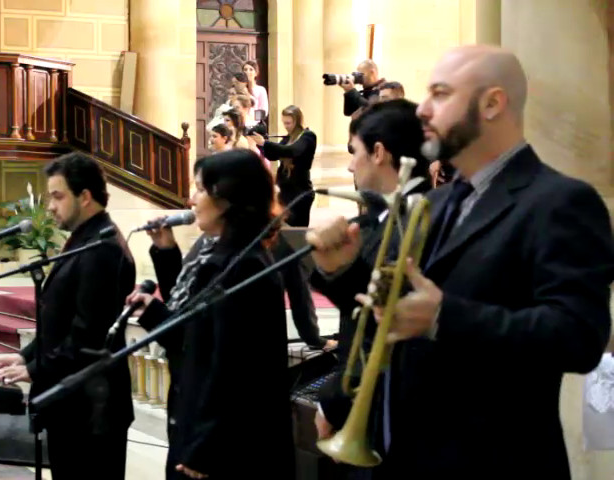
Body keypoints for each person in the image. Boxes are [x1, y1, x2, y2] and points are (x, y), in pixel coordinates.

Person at [307, 45, 614, 479]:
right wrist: (343, 270)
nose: (423, 110)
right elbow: (389, 311)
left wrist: (445, 317)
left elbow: (579, 337)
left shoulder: (560, 202)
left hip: (493, 463)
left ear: (492, 103)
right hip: (408, 458)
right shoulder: (436, 202)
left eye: (440, 94)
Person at [127, 150, 294, 479]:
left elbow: (231, 367)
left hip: (224, 445)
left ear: (226, 199)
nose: (191, 200)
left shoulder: (241, 264)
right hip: (201, 425)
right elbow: (192, 320)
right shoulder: (218, 251)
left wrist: (204, 444)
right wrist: (165, 253)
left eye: (200, 189)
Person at [0, 152, 136, 480]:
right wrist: (24, 356)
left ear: (85, 197)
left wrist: (34, 368)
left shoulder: (103, 249)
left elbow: (88, 335)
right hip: (72, 402)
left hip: (92, 409)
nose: (50, 206)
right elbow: (59, 321)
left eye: (58, 196)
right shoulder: (84, 240)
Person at [310, 99, 431, 479]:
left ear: (379, 153)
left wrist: (333, 403)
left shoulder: (413, 220)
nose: (348, 165)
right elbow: (363, 309)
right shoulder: (383, 219)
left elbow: (379, 331)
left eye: (354, 152)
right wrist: (334, 269)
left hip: (392, 414)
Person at [251, 105, 317, 227]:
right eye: (284, 123)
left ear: (297, 121)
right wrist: (260, 144)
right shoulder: (288, 138)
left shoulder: (307, 136)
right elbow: (273, 155)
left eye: (289, 123)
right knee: (283, 229)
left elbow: (292, 151)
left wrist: (266, 143)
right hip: (285, 192)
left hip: (300, 192)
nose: (286, 126)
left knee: (296, 231)